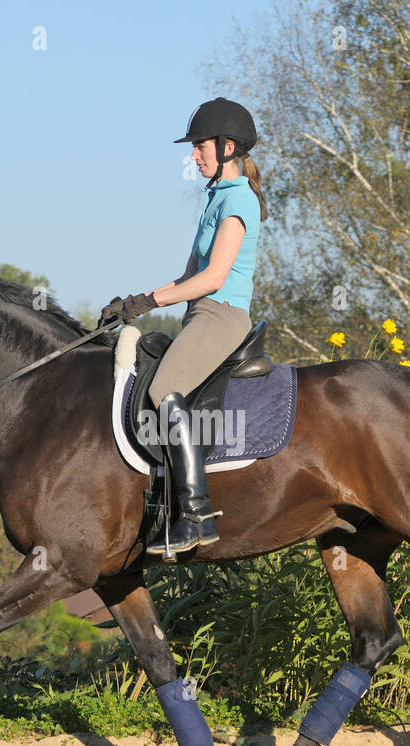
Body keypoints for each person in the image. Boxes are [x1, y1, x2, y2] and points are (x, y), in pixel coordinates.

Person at [102, 97, 269, 556]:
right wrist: (134, 303)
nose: (194, 155)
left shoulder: (238, 200)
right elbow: (186, 278)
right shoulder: (215, 198)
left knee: (163, 388)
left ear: (228, 147)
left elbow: (213, 279)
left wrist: (149, 301)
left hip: (222, 314)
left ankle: (195, 516)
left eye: (200, 147)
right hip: (200, 312)